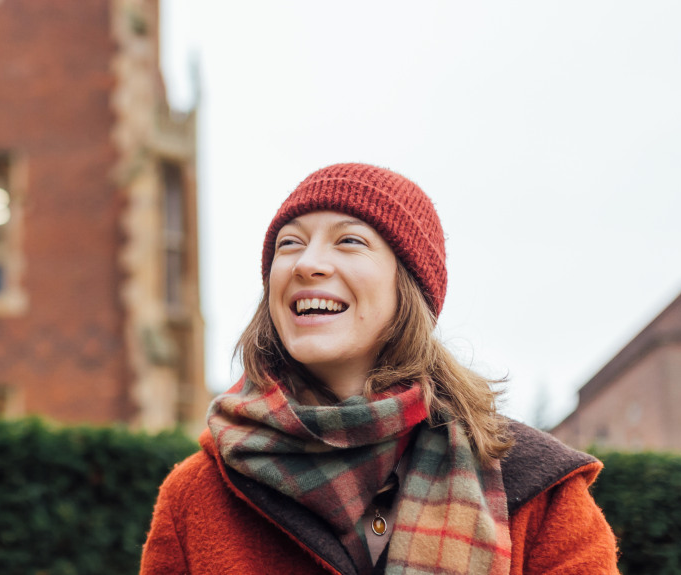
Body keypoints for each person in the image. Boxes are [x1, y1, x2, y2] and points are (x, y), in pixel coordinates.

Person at [139, 164, 619, 575]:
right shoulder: (197, 496)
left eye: (349, 240)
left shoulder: (537, 490)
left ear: (408, 287)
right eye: (290, 244)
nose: (307, 263)